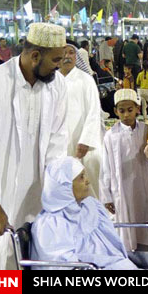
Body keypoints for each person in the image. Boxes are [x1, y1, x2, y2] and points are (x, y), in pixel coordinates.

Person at [0, 23, 68, 269]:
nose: (59, 65)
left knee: (32, 260)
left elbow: (57, 144)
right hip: (0, 195)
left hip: (38, 197)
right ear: (34, 56)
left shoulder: (58, 85)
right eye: (55, 59)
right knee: (0, 265)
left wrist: (57, 197)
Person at [31, 157, 137, 270]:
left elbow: (111, 246)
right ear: (65, 186)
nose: (88, 181)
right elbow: (60, 264)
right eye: (81, 177)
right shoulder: (51, 223)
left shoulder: (91, 205)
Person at [99, 89, 148, 251]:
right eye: (121, 111)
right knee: (127, 231)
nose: (126, 115)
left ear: (137, 109)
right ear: (115, 111)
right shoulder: (111, 136)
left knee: (146, 226)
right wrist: (107, 196)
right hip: (122, 190)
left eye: (130, 110)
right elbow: (106, 168)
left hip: (144, 187)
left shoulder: (146, 131)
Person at [60, 41, 103, 198]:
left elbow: (93, 111)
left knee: (88, 181)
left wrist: (86, 140)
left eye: (71, 53)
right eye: (63, 52)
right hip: (60, 143)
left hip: (83, 142)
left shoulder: (85, 79)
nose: (67, 56)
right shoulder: (52, 81)